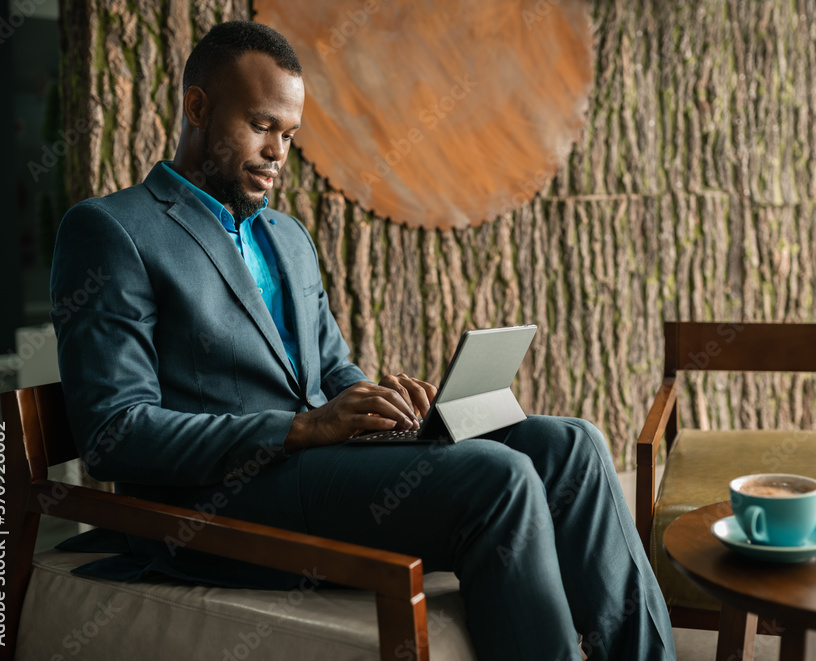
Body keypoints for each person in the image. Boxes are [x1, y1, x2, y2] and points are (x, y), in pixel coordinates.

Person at [50, 20, 675, 661]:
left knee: (573, 443)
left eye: (289, 135)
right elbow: (114, 435)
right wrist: (298, 430)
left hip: (318, 469)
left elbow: (329, 371)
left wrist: (388, 409)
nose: (277, 152)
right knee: (500, 478)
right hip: (220, 503)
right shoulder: (112, 230)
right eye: (262, 125)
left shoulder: (288, 238)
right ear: (197, 106)